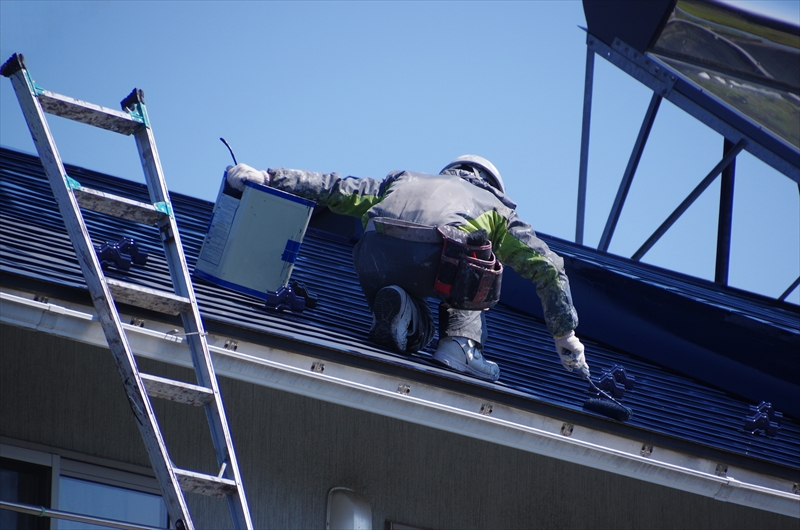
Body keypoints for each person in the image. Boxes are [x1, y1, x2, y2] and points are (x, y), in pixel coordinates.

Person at [225, 155, 590, 382]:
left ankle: (401, 311)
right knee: (480, 255)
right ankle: (459, 346)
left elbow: (333, 188)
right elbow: (547, 265)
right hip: (440, 259)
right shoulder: (496, 206)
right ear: (492, 184)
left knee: (408, 303)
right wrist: (564, 334)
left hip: (373, 255)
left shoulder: (403, 179)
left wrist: (268, 177)